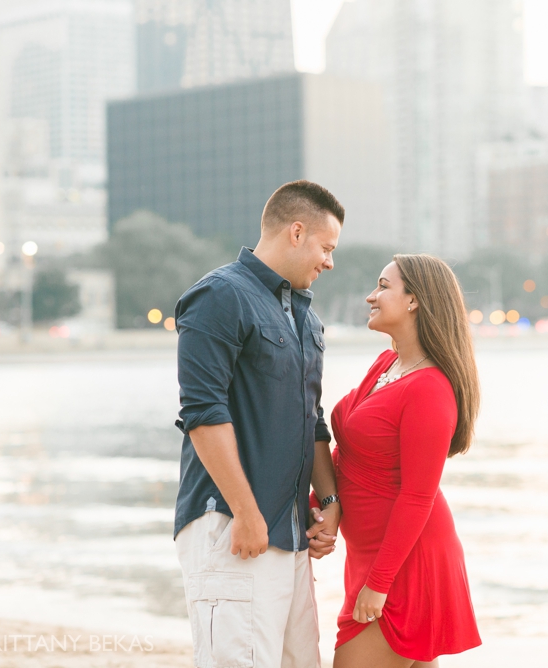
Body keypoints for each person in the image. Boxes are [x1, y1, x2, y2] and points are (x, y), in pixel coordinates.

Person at [173, 180, 344, 668]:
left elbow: (311, 419)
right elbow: (203, 414)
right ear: (296, 232)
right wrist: (246, 513)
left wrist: (329, 502)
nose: (329, 262)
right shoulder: (219, 296)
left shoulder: (306, 318)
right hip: (233, 527)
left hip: (289, 533)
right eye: (327, 247)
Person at [315, 254, 482, 668]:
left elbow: (417, 497)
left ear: (414, 301)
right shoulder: (386, 364)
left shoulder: (430, 389)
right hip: (373, 556)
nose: (371, 296)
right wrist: (323, 505)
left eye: (383, 286)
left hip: (406, 564)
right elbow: (352, 454)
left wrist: (379, 583)